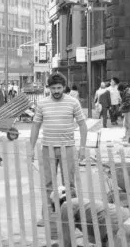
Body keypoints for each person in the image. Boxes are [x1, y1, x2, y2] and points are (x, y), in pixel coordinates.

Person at [30, 72, 87, 227]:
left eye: (59, 88)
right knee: (48, 183)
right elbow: (35, 126)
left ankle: (72, 215)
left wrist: (82, 147)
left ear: (64, 87)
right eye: (53, 88)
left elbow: (82, 124)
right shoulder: (42, 104)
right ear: (49, 88)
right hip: (47, 147)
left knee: (69, 183)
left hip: (68, 148)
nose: (56, 91)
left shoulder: (73, 102)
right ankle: (48, 215)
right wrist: (31, 148)